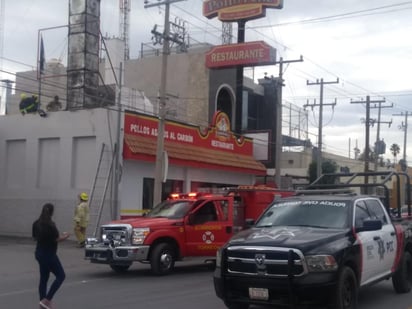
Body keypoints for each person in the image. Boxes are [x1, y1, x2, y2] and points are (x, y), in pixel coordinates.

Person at [32, 203, 69, 309]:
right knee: (61, 275)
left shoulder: (36, 223)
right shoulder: (51, 225)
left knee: (44, 277)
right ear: (52, 212)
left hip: (39, 253)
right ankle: (47, 300)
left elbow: (34, 238)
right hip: (49, 254)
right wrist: (66, 236)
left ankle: (42, 302)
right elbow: (57, 239)